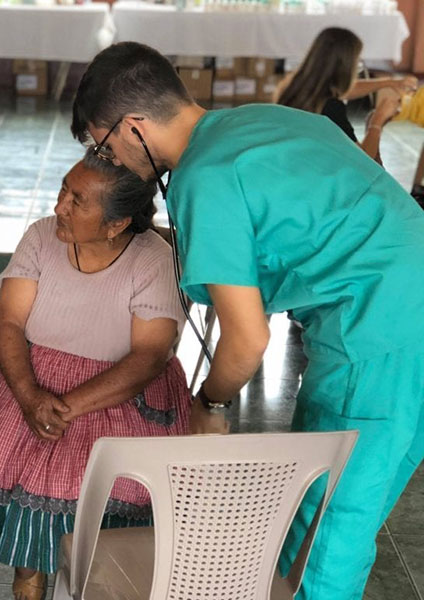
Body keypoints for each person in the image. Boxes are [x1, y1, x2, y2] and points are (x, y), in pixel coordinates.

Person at [71, 41, 424, 600]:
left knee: (325, 529)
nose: (110, 159)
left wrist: (209, 403)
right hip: (408, 303)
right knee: (347, 506)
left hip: (376, 331)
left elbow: (248, 339)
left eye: (105, 144)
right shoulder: (265, 119)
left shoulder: (203, 175)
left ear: (134, 124)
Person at [0, 150, 192, 600]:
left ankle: (81, 582)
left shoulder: (153, 258)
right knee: (25, 467)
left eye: (77, 201)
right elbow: (9, 324)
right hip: (30, 380)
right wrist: (28, 395)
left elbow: (148, 357)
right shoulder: (42, 236)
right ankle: (28, 582)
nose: (60, 205)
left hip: (117, 396)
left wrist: (64, 408)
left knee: (74, 480)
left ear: (116, 224)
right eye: (64, 189)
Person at [274, 27, 415, 163]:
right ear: (346, 68)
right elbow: (363, 161)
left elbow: (343, 89)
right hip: (314, 173)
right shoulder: (330, 107)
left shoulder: (293, 86)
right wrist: (377, 121)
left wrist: (389, 83)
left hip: (289, 161)